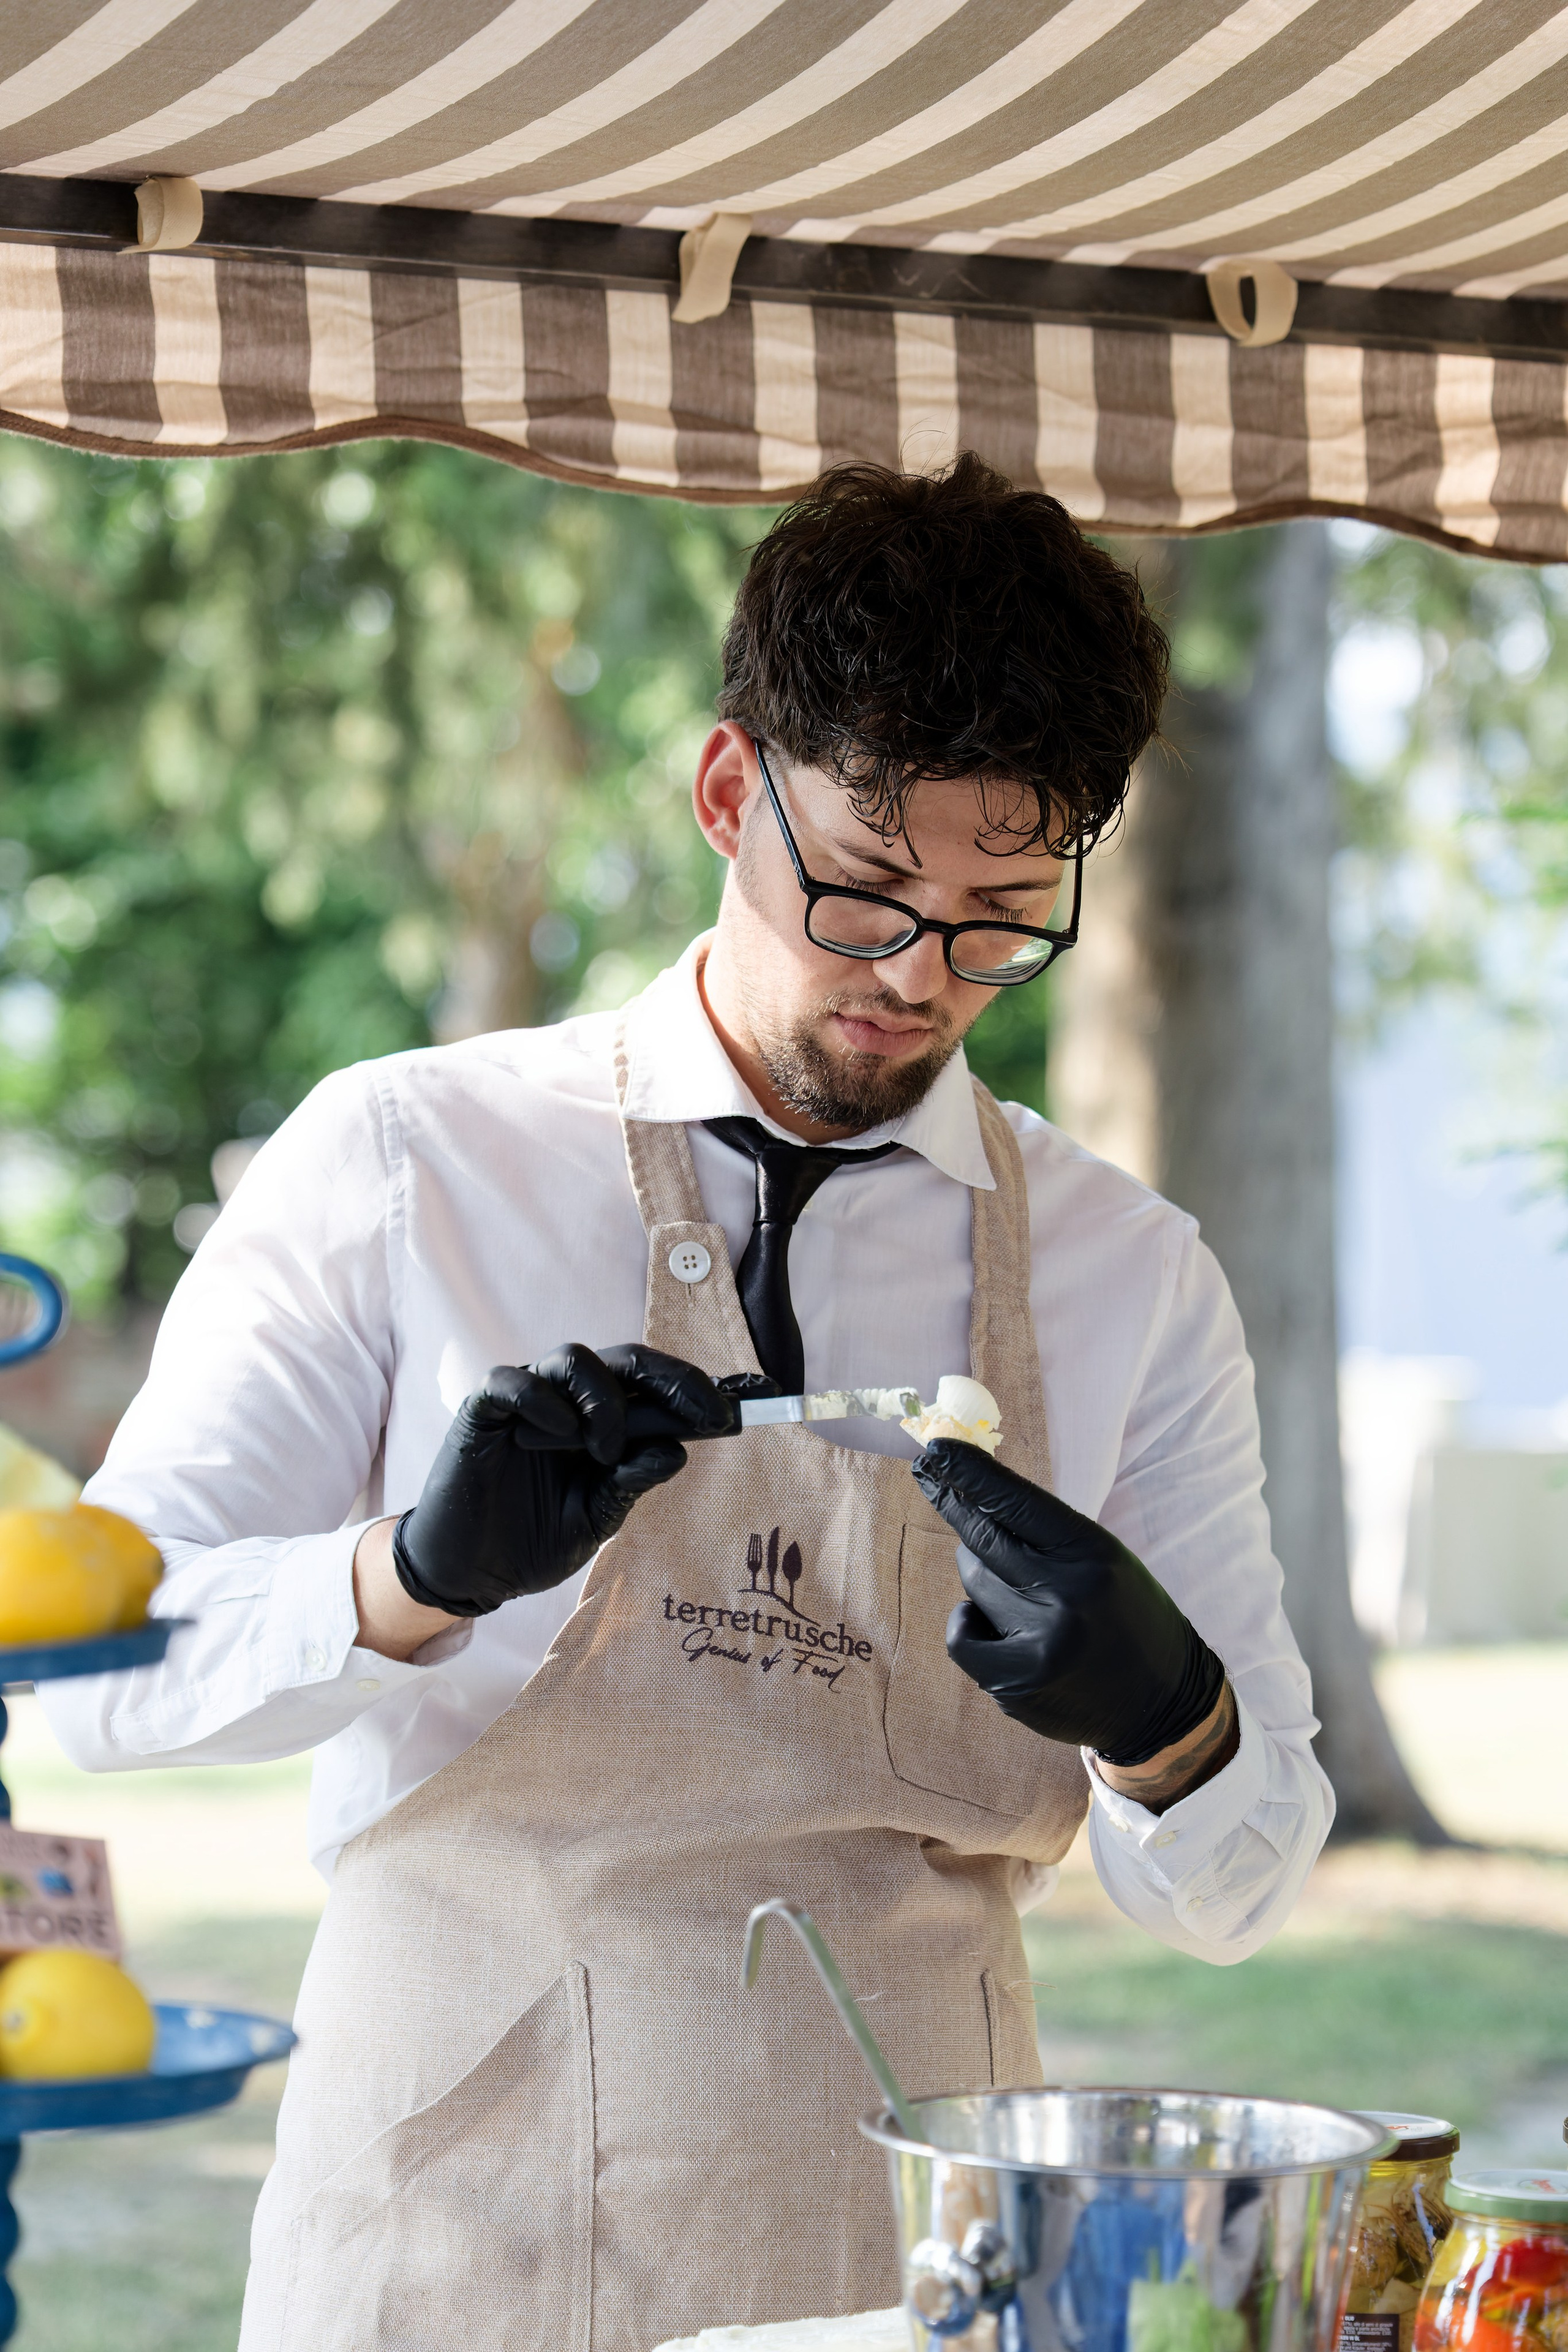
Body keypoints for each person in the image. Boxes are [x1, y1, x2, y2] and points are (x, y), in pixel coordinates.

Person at [45, 454, 1332, 2351]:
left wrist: (1176, 1727)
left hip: (909, 2274)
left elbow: (1245, 1877)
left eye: (998, 915)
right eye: (868, 888)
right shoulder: (408, 1160)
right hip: (444, 2243)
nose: (917, 976)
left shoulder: (1129, 1273)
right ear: (733, 790)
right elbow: (109, 1683)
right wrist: (408, 1579)